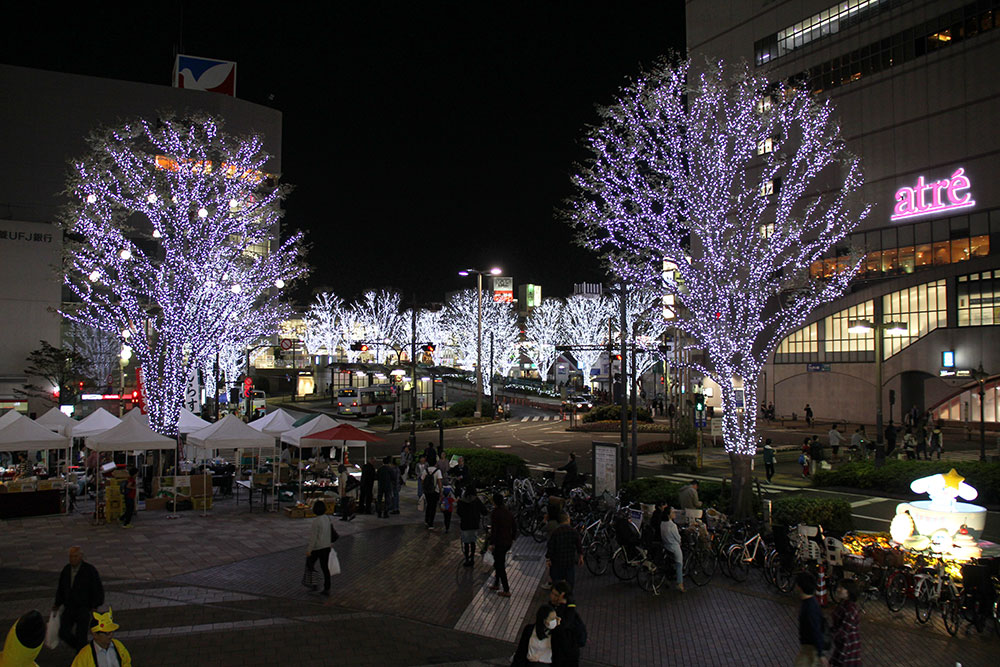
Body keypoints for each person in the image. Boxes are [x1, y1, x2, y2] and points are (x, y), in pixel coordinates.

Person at [54, 546, 105, 651]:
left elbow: (97, 588)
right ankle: (81, 649)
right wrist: (57, 603)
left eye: (75, 556)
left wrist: (94, 605)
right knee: (63, 632)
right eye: (71, 556)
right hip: (69, 607)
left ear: (81, 557)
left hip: (83, 608)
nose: (73, 559)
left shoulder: (89, 570)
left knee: (81, 635)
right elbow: (61, 588)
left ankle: (81, 652)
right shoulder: (67, 570)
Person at [302, 500, 338, 596]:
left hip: (317, 547)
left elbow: (313, 538)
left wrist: (309, 550)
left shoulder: (316, 522)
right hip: (326, 547)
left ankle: (313, 583)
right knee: (325, 567)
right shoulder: (327, 518)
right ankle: (327, 587)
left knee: (310, 564)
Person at [549, 580, 586, 667]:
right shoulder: (569, 609)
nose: (552, 597)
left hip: (566, 653)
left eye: (556, 595)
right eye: (552, 593)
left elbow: (562, 625)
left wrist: (562, 605)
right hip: (563, 651)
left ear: (562, 597)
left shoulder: (568, 612)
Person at [794, 571, 827, 667]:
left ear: (799, 587)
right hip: (810, 648)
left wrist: (821, 654)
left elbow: (816, 630)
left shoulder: (809, 607)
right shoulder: (812, 603)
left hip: (810, 649)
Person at [545, 512, 583, 590]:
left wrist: (548, 558)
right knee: (569, 584)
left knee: (557, 584)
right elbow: (579, 545)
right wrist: (580, 556)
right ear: (567, 519)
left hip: (557, 562)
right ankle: (568, 597)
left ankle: (558, 596)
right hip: (569, 562)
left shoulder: (555, 532)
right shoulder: (573, 531)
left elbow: (551, 547)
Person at [489, 492, 516, 596]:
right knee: (498, 562)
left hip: (499, 542)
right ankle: (496, 583)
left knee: (499, 565)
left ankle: (506, 589)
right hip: (507, 542)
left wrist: (492, 543)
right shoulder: (508, 512)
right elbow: (514, 526)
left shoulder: (495, 513)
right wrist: (513, 538)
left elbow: (494, 530)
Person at [830, 579, 861, 667]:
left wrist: (828, 635)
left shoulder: (851, 609)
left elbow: (844, 630)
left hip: (848, 647)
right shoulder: (843, 604)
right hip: (842, 645)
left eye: (842, 588)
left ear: (849, 592)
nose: (838, 589)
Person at [456, 486, 485, 564]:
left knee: (465, 542)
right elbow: (484, 510)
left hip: (465, 524)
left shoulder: (461, 501)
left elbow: (459, 512)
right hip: (474, 524)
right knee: (473, 542)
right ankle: (472, 558)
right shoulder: (476, 500)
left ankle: (466, 559)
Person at [659, 505, 684, 593]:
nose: (675, 514)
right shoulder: (672, 526)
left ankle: (668, 580)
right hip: (674, 547)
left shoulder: (662, 524)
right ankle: (680, 583)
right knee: (679, 564)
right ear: (669, 514)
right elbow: (678, 538)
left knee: (669, 564)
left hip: (666, 546)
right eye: (673, 512)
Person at [422, 458, 442, 529]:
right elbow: (439, 482)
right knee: (433, 507)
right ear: (435, 463)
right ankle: (431, 523)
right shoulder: (438, 471)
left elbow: (422, 480)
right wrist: (440, 491)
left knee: (428, 505)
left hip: (427, 491)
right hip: (435, 491)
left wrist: (423, 489)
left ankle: (426, 520)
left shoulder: (425, 470)